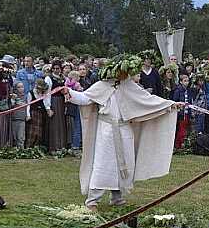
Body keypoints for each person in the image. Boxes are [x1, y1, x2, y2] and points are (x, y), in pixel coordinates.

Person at [67, 54, 177, 209]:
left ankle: (117, 197)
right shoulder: (102, 85)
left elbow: (148, 100)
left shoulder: (129, 86)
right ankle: (93, 200)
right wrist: (69, 93)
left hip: (125, 129)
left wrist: (170, 105)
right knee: (103, 164)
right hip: (106, 131)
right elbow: (85, 98)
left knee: (123, 163)